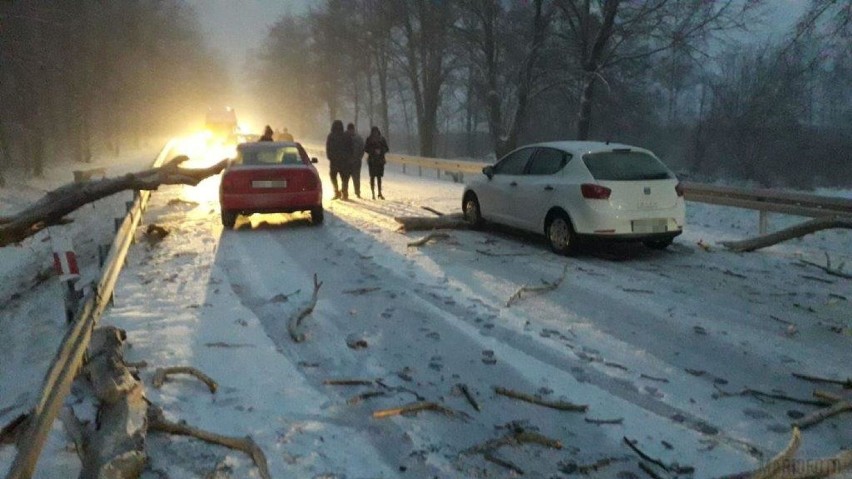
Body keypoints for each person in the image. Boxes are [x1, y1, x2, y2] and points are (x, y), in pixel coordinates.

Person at [325, 120, 353, 200]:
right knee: (344, 177)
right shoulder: (346, 136)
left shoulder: (331, 136)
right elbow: (350, 148)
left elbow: (328, 148)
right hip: (344, 161)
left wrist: (330, 157)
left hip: (334, 161)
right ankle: (345, 193)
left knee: (333, 176)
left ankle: (337, 192)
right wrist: (348, 158)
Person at [364, 126, 388, 199]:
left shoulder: (381, 139)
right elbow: (366, 149)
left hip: (379, 161)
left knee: (379, 177)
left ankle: (379, 192)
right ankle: (373, 193)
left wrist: (381, 151)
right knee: (372, 177)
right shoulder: (369, 139)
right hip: (373, 160)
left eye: (376, 132)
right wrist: (373, 151)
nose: (375, 133)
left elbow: (386, 148)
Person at [346, 123, 365, 199]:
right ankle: (345, 193)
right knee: (345, 178)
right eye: (350, 130)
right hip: (346, 162)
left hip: (356, 162)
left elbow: (362, 149)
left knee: (356, 178)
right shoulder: (345, 138)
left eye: (352, 130)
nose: (351, 131)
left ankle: (357, 192)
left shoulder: (359, 139)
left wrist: (359, 158)